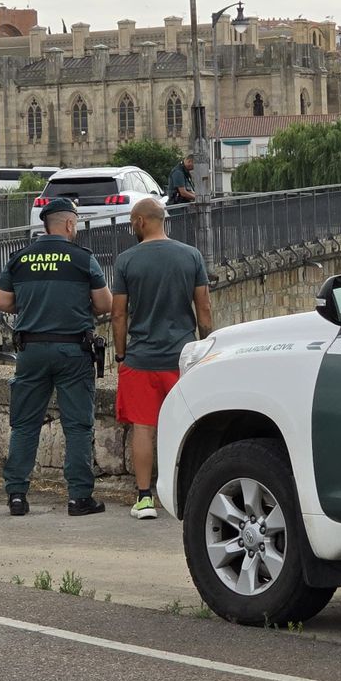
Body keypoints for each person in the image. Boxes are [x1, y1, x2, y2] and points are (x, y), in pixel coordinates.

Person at [0, 197, 113, 517]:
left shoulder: (19, 258)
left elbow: (2, 302)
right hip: (73, 352)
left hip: (31, 351)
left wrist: (33, 305)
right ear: (70, 224)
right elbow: (104, 304)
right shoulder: (83, 259)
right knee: (77, 426)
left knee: (25, 424)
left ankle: (17, 495)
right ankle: (78, 498)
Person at [111, 199, 212, 519]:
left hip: (142, 359)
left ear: (142, 221)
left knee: (143, 428)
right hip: (183, 357)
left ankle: (144, 499)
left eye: (131, 221)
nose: (131, 227)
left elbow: (118, 315)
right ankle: (193, 495)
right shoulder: (191, 255)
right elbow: (204, 310)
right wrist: (207, 346)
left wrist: (121, 354)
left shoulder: (126, 261)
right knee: (192, 426)